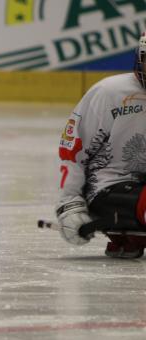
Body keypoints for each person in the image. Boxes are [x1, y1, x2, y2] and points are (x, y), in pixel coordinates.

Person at [56, 32, 146, 258]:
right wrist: (69, 203)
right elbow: (73, 151)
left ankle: (132, 236)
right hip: (108, 187)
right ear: (139, 58)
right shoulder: (109, 92)